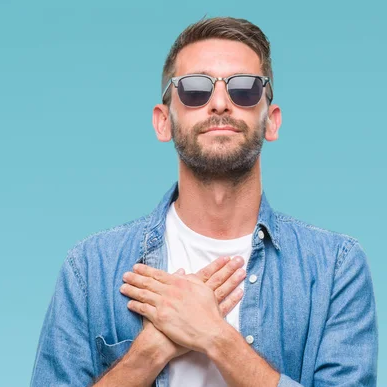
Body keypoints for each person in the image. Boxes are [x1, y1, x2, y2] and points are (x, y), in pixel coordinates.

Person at [30, 16, 378, 387]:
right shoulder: (91, 269)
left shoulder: (335, 268)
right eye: (195, 89)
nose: (219, 103)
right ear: (163, 121)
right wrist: (151, 350)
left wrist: (214, 335)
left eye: (244, 89)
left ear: (271, 121)